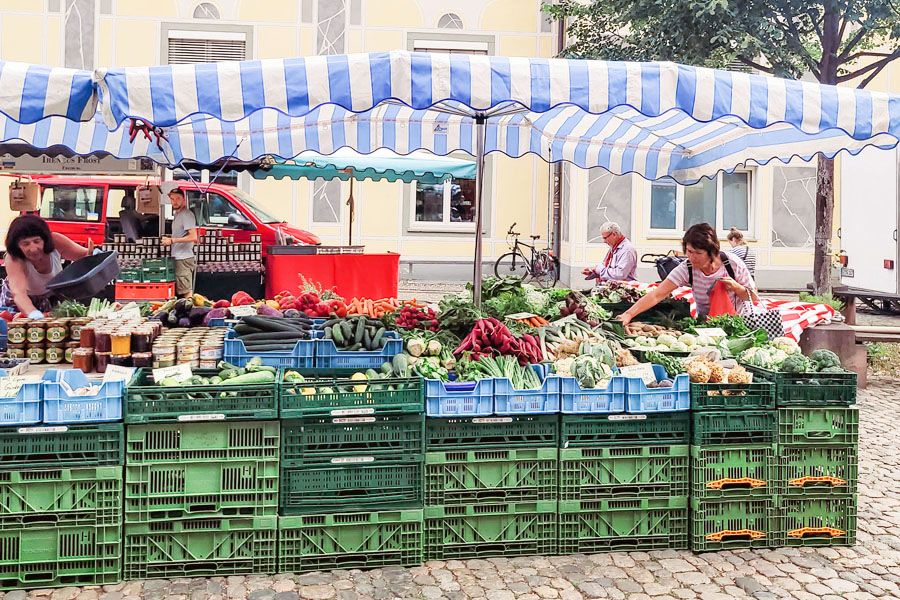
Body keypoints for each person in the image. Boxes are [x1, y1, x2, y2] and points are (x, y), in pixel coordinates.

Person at [619, 223, 756, 325]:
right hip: (707, 324)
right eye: (689, 251)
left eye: (698, 253)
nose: (692, 257)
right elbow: (657, 294)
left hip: (737, 324)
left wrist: (737, 288)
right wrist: (628, 314)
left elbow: (754, 297)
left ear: (712, 252)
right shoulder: (687, 268)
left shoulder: (732, 263)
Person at [0, 215, 95, 319]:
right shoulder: (13, 258)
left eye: (37, 241)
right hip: (17, 303)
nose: (33, 249)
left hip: (47, 298)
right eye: (25, 244)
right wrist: (33, 314)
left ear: (45, 240)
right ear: (17, 245)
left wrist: (94, 254)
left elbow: (85, 256)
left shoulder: (56, 241)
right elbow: (19, 294)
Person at [161, 188, 198, 298]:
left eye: (178, 198)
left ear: (184, 200)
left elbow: (193, 236)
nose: (175, 201)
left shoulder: (186, 215)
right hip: (178, 257)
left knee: (186, 291)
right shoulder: (177, 214)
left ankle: (189, 311)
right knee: (182, 290)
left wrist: (172, 240)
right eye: (172, 199)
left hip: (183, 258)